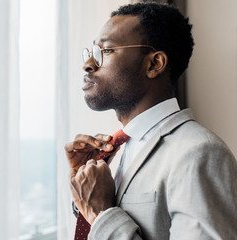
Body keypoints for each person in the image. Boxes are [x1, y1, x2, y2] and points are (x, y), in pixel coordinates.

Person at [64, 2, 237, 240]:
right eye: (91, 52)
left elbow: (106, 219)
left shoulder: (199, 152)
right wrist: (86, 199)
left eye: (105, 51)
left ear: (154, 64)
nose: (88, 64)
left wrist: (102, 214)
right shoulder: (124, 147)